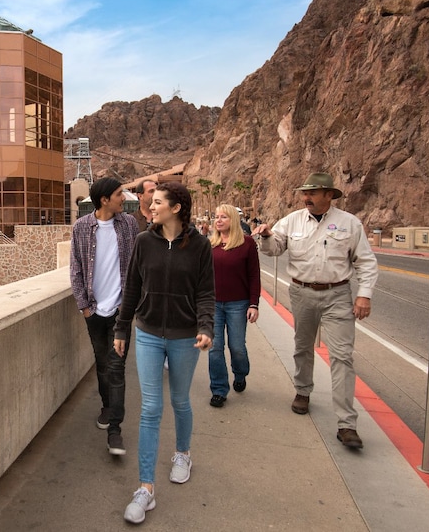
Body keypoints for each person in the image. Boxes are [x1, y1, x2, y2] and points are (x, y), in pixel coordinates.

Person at [252, 172, 378, 449]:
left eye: (313, 193)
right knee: (302, 346)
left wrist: (364, 295)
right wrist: (266, 236)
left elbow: (366, 262)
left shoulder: (350, 224)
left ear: (329, 195)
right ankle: (302, 391)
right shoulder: (292, 220)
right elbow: (274, 249)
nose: (306, 197)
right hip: (302, 293)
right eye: (304, 193)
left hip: (338, 295)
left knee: (342, 356)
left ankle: (346, 423)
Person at [113, 182, 215, 524]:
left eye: (156, 202)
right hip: (149, 334)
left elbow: (205, 292)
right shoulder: (144, 242)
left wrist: (206, 328)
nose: (150, 206)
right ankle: (145, 489)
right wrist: (122, 328)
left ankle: (183, 454)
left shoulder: (200, 246)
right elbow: (131, 288)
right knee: (150, 408)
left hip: (186, 336)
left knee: (181, 401)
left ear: (175, 207)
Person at [70, 177, 138, 456]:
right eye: (119, 194)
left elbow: (136, 267)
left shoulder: (130, 225)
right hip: (94, 311)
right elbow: (75, 269)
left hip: (121, 312)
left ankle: (115, 430)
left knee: (117, 368)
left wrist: (131, 305)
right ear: (104, 200)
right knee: (102, 364)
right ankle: (107, 407)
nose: (124, 198)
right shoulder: (82, 228)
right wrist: (84, 307)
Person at [207, 203, 260, 408]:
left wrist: (253, 304)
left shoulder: (246, 244)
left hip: (238, 303)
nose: (218, 220)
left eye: (223, 217)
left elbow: (254, 275)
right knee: (214, 348)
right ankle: (219, 389)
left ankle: (240, 373)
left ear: (233, 220)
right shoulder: (210, 244)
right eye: (216, 216)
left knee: (237, 347)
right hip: (213, 304)